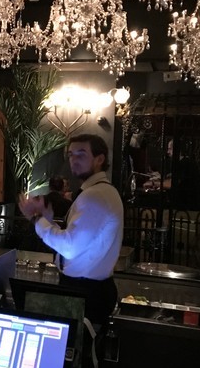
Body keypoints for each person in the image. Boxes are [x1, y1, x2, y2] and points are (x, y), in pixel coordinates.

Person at [18, 134, 123, 326]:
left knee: (74, 345)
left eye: (81, 154)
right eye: (71, 154)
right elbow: (80, 241)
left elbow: (70, 248)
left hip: (86, 292)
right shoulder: (103, 191)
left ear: (99, 159)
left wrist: (36, 219)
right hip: (92, 288)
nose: (74, 160)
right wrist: (50, 222)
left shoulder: (95, 196)